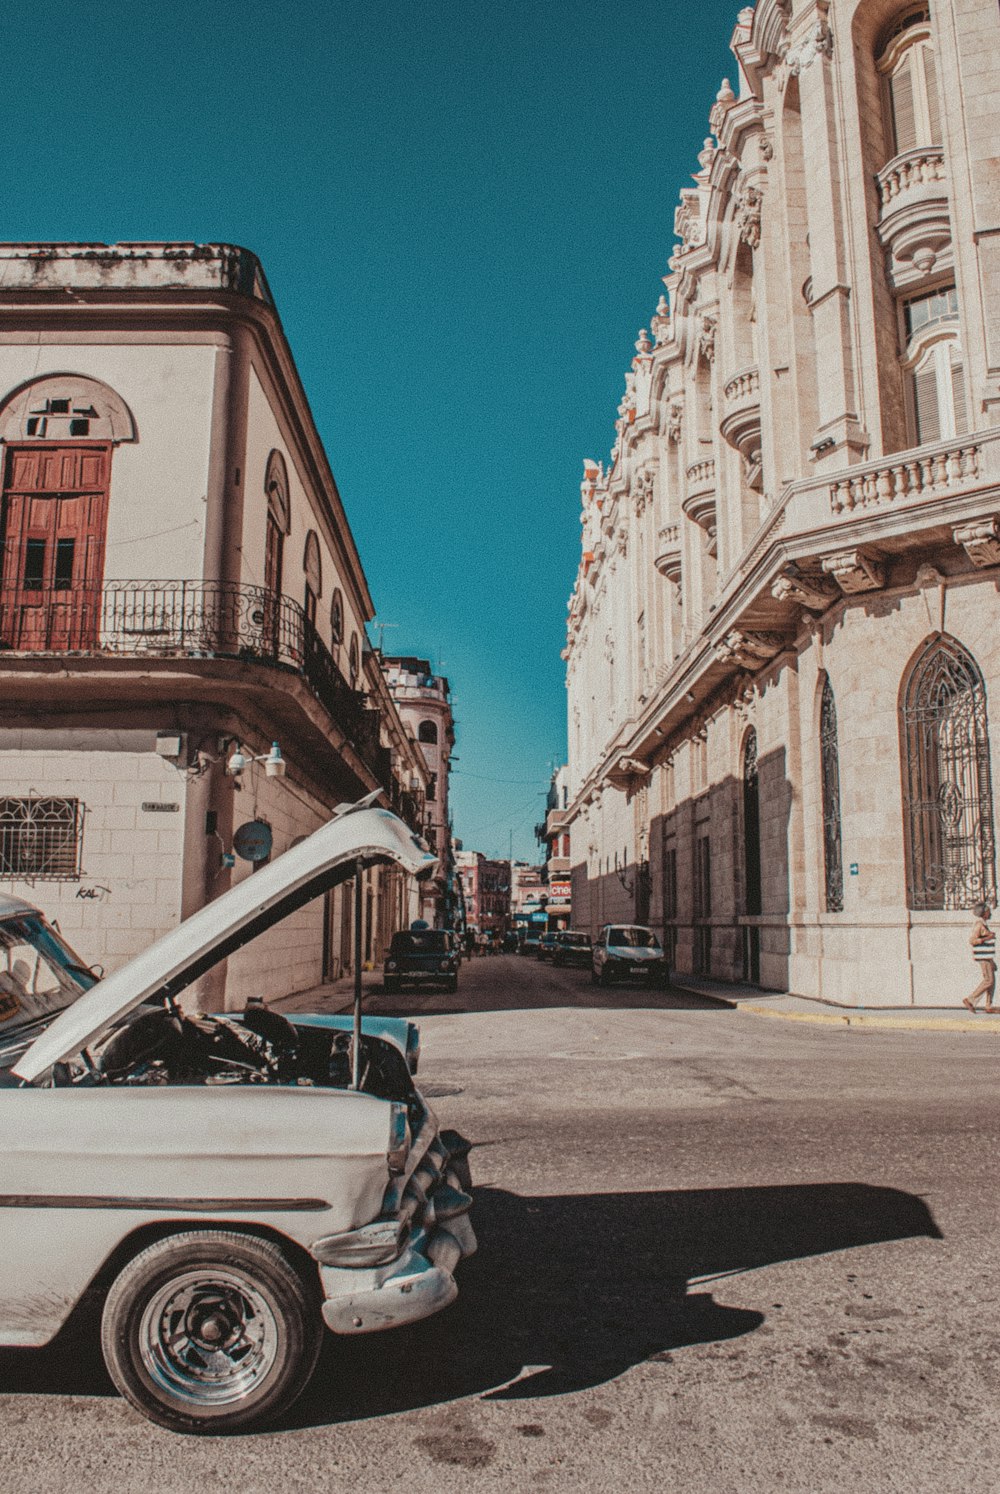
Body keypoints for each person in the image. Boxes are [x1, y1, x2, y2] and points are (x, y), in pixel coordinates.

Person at [962, 901, 998, 1012]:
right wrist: (987, 938)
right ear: (984, 912)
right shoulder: (979, 925)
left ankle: (988, 1005)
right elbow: (972, 940)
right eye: (988, 911)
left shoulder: (983, 924)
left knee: (992, 980)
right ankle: (970, 999)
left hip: (987, 956)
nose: (990, 913)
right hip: (983, 957)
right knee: (989, 980)